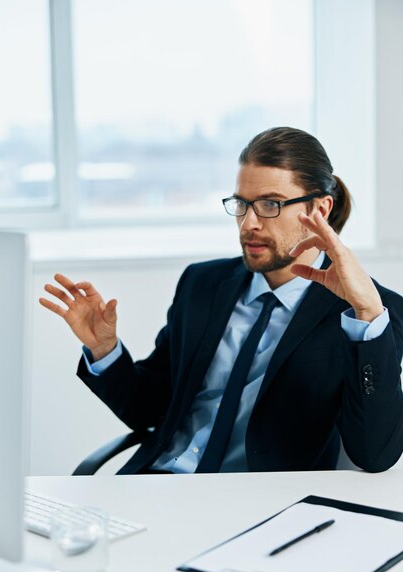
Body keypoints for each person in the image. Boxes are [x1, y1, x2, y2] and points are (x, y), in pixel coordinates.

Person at [40, 127, 403, 474]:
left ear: (319, 210)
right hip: (158, 481)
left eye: (270, 205)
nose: (248, 224)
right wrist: (105, 350)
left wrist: (368, 317)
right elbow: (150, 409)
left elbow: (374, 454)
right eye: (242, 204)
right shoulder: (203, 283)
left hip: (261, 505)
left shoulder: (371, 312)